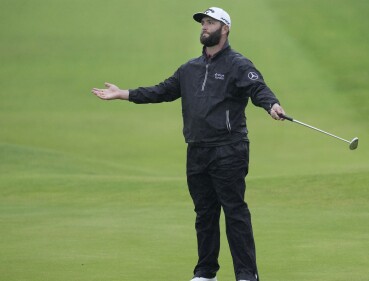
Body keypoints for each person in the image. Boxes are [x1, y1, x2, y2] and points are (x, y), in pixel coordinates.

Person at [92, 7, 285, 281]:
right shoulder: (189, 69)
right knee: (204, 213)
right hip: (197, 150)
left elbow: (258, 88)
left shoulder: (238, 65)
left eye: (210, 22)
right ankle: (206, 273)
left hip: (229, 149)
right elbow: (162, 91)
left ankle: (246, 275)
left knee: (234, 211)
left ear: (225, 29)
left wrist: (271, 105)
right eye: (203, 23)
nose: (204, 27)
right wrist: (123, 94)